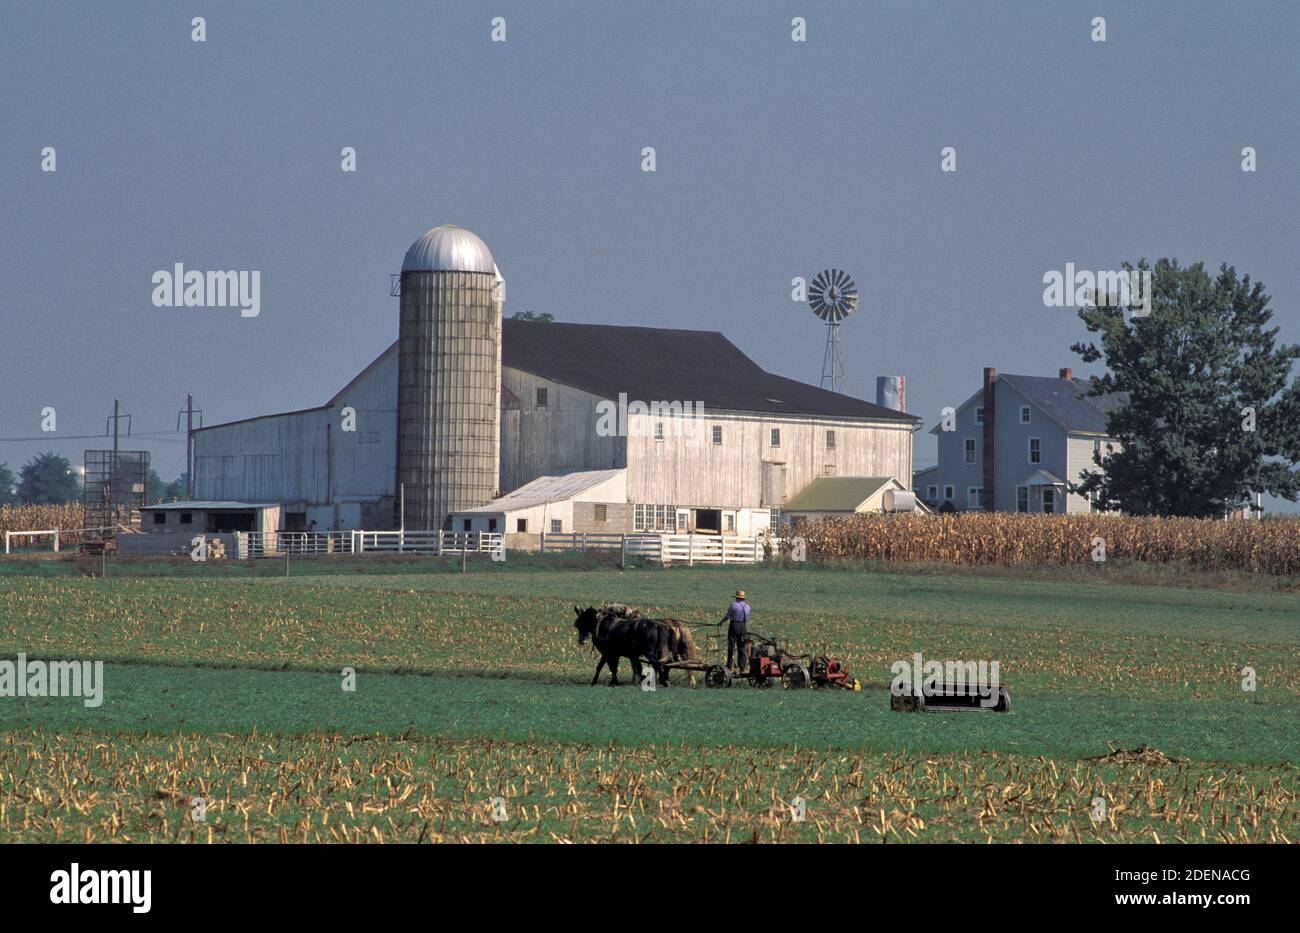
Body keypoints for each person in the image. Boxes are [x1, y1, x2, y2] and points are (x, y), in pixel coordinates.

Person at [723, 590, 751, 673]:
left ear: (737, 598)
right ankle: (742, 667)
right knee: (742, 647)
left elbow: (728, 616)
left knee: (731, 646)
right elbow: (748, 618)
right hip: (743, 626)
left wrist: (721, 622)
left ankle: (729, 666)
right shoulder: (748, 606)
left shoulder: (734, 605)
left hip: (734, 625)